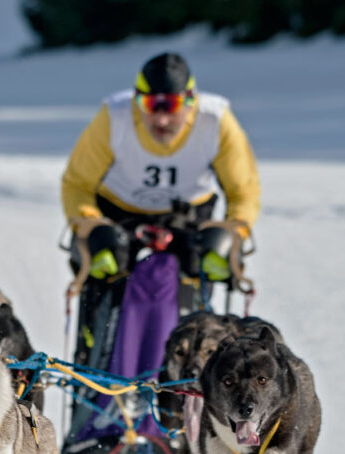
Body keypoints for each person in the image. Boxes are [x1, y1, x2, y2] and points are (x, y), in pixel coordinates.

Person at [62, 52, 260, 291]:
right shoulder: (114, 118)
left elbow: (243, 190)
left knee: (203, 260)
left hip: (189, 215)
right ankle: (98, 323)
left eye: (172, 105)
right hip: (119, 212)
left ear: (191, 101)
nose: (162, 119)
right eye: (150, 105)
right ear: (136, 100)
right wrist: (90, 224)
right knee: (103, 260)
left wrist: (233, 232)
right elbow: (78, 183)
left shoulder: (216, 121)